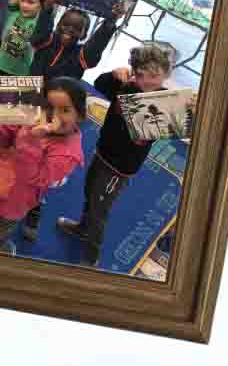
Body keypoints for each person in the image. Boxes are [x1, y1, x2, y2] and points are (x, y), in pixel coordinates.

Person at [59, 41, 184, 265]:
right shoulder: (126, 85)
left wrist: (184, 109)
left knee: (100, 210)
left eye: (154, 76)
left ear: (166, 75)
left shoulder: (162, 102)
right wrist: (113, 74)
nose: (146, 81)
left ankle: (91, 258)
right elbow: (99, 84)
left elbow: (175, 127)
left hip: (120, 168)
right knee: (89, 193)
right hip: (102, 152)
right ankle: (82, 228)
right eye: (141, 74)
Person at [0, 77, 87, 253]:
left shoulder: (69, 153)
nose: (54, 116)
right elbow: (5, 137)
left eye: (65, 110)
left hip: (9, 201)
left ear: (80, 116)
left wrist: (31, 137)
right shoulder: (31, 114)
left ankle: (2, 251)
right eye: (49, 107)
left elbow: (36, 177)